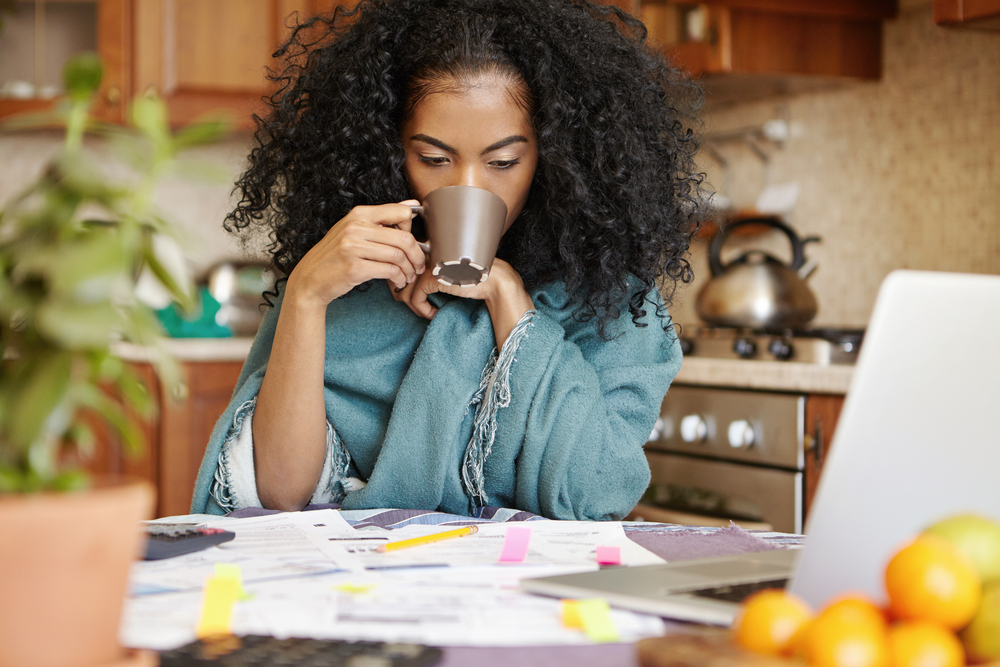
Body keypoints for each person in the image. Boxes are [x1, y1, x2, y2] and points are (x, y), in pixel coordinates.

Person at [191, 0, 704, 520]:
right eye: (434, 159)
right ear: (388, 150)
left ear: (552, 156)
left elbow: (596, 493)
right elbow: (281, 494)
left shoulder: (608, 303)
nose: (467, 187)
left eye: (503, 161)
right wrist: (306, 295)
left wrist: (510, 303)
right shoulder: (348, 280)